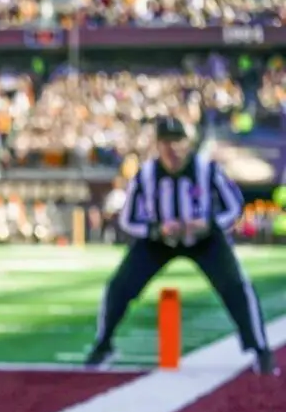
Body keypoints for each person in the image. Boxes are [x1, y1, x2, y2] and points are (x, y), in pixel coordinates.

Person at [86, 116, 277, 375]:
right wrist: (156, 229)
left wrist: (207, 224)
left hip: (206, 240)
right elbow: (128, 218)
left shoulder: (206, 169)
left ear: (187, 143)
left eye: (177, 141)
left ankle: (260, 349)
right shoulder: (146, 175)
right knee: (119, 286)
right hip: (158, 241)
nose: (171, 148)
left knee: (237, 287)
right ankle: (103, 344)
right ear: (157, 145)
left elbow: (234, 207)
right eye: (165, 142)